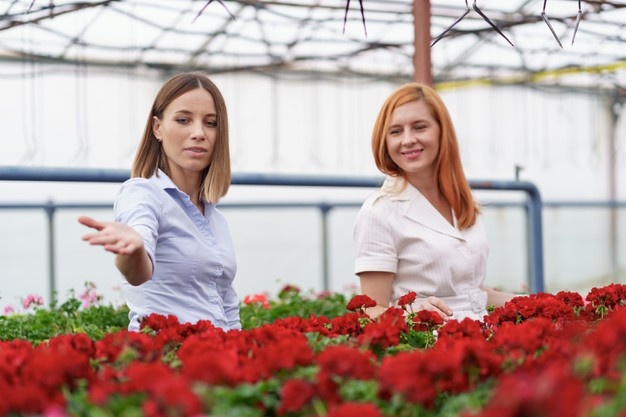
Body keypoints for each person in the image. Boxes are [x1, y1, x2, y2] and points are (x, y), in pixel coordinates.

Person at [79, 72, 241, 332]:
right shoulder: (143, 193)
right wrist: (132, 250)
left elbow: (227, 305)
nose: (199, 133)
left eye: (211, 123)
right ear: (157, 128)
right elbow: (138, 272)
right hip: (165, 357)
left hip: (217, 357)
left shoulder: (215, 218)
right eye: (183, 120)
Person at [353, 82, 517, 322]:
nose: (408, 140)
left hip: (480, 338)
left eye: (419, 127)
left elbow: (470, 295)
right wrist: (412, 314)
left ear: (442, 132)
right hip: (427, 348)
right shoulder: (379, 212)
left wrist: (537, 302)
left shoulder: (463, 201)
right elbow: (369, 311)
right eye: (396, 131)